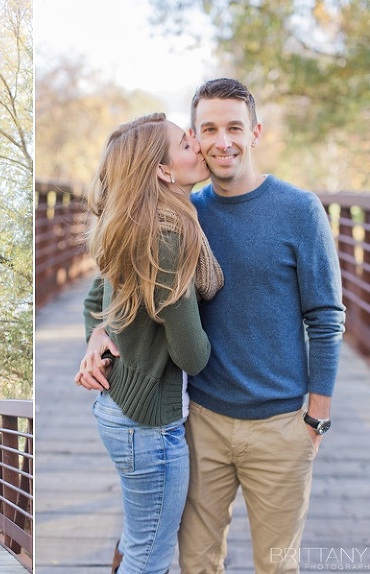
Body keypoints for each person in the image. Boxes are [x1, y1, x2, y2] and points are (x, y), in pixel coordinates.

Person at [79, 78, 346, 574]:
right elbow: (103, 286)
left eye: (234, 128)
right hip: (200, 421)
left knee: (277, 566)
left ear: (256, 132)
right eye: (207, 129)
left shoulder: (299, 210)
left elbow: (326, 319)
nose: (222, 141)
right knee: (196, 563)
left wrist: (317, 416)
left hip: (281, 425)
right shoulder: (180, 210)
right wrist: (97, 333)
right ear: (195, 139)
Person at [75, 112, 223, 574]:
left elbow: (93, 301)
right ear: (162, 170)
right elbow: (191, 356)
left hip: (118, 410)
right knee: (151, 556)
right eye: (185, 143)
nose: (197, 145)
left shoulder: (134, 223)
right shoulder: (168, 236)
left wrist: (99, 332)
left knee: (139, 537)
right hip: (147, 426)